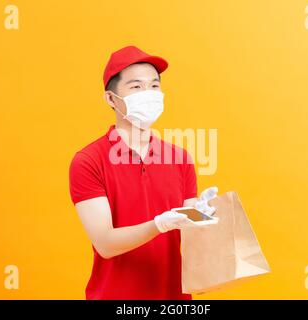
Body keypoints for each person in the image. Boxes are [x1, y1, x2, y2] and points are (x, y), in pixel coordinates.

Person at [69, 45, 217, 299]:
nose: (148, 94)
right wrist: (159, 224)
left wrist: (202, 219)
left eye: (154, 86)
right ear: (110, 99)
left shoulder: (180, 158)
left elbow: (191, 244)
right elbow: (105, 243)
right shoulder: (88, 161)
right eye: (136, 87)